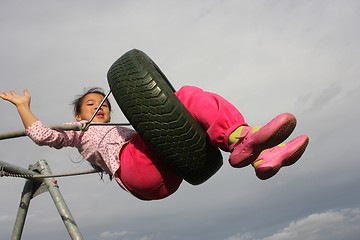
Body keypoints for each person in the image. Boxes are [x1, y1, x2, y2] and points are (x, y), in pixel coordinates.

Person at [0, 86, 309, 200]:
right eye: (91, 104)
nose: (100, 107)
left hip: (169, 175)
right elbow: (42, 135)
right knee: (184, 96)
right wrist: (23, 106)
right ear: (78, 113)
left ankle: (259, 153)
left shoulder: (129, 131)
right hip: (135, 170)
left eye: (103, 103)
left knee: (190, 118)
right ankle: (243, 140)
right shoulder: (78, 131)